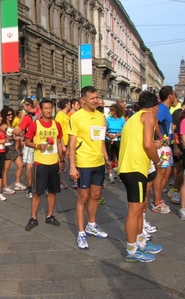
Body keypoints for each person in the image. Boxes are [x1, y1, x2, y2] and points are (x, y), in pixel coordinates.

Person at [118, 91, 163, 263]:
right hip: (134, 168)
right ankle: (131, 250)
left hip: (131, 167)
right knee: (134, 211)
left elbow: (141, 141)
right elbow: (146, 144)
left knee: (140, 208)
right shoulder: (149, 116)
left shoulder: (134, 118)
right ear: (153, 106)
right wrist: (157, 161)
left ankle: (141, 243)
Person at [68, 86, 112, 250]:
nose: (96, 101)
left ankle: (91, 225)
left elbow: (101, 141)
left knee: (95, 195)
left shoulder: (101, 117)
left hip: (98, 162)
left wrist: (107, 158)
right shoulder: (76, 117)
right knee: (83, 198)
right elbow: (72, 144)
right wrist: (72, 166)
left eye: (97, 97)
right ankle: (81, 233)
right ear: (83, 100)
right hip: (84, 163)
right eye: (92, 98)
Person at [24, 99, 63, 231]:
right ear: (41, 109)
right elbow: (27, 141)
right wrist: (37, 145)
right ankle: (33, 218)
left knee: (52, 191)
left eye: (50, 108)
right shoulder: (35, 125)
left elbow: (59, 142)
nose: (48, 110)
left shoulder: (57, 125)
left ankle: (50, 215)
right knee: (37, 192)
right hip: (40, 163)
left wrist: (61, 160)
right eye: (45, 108)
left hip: (54, 163)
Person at [168, 93, 185, 204]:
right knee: (184, 169)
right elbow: (173, 130)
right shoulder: (178, 113)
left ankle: (180, 191)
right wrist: (175, 146)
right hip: (179, 145)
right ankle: (175, 190)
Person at [151, 86, 175, 214]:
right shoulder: (161, 109)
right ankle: (156, 202)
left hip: (168, 145)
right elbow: (154, 121)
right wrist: (161, 137)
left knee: (168, 173)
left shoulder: (166, 109)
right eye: (174, 94)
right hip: (163, 146)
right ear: (170, 95)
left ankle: (158, 198)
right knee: (161, 174)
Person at [13, 97, 38, 198]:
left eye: (24, 107)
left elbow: (18, 131)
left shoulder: (27, 118)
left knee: (29, 166)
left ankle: (29, 188)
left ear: (28, 106)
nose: (23, 109)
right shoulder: (40, 114)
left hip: (29, 143)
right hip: (40, 143)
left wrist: (10, 131)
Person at [0, 107, 26, 194]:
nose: (11, 116)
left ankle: (17, 183)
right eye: (8, 115)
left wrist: (17, 138)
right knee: (6, 169)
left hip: (12, 147)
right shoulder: (3, 126)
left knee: (21, 165)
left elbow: (15, 134)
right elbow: (15, 132)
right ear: (4, 116)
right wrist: (22, 118)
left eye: (11, 114)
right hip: (6, 148)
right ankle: (5, 187)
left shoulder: (11, 125)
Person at [105, 103, 125, 183]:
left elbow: (125, 130)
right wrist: (108, 134)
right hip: (109, 139)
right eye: (110, 110)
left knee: (119, 157)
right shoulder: (108, 119)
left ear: (117, 111)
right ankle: (110, 175)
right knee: (109, 157)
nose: (111, 112)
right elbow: (105, 129)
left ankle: (119, 172)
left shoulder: (122, 120)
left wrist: (118, 134)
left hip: (118, 139)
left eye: (112, 110)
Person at [55, 98, 70, 190]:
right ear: (66, 105)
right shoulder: (60, 115)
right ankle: (58, 181)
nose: (70, 105)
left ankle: (59, 180)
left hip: (67, 141)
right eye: (69, 103)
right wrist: (63, 145)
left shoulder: (66, 115)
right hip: (61, 142)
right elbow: (58, 131)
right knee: (59, 162)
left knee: (63, 162)